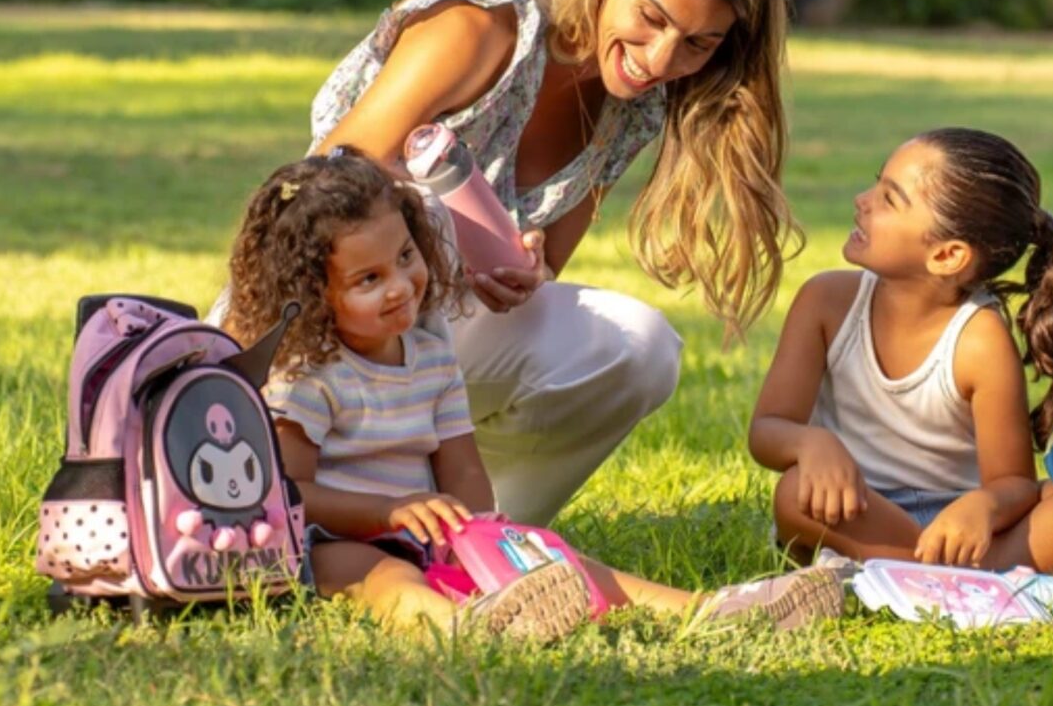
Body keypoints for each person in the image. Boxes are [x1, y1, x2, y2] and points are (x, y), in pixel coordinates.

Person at [296, 0, 800, 526]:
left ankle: (480, 535)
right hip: (315, 323)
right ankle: (344, 488)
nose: (661, 59)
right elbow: (325, 181)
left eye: (698, 44)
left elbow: (546, 266)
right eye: (652, 17)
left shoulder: (633, 109)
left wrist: (524, 270)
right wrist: (451, 238)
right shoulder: (484, 26)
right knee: (418, 209)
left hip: (427, 335)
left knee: (638, 348)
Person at [223, 152, 842, 641]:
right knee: (384, 576)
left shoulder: (430, 352)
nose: (400, 287)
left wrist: (479, 531)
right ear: (312, 292)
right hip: (329, 543)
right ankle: (465, 629)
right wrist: (389, 512)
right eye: (367, 280)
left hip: (420, 527)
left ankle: (713, 611)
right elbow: (291, 494)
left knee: (554, 556)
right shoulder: (308, 375)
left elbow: (460, 460)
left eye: (405, 257)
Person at [745, 128, 1053, 576]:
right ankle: (963, 580)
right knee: (794, 493)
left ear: (947, 255)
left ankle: (920, 574)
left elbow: (1013, 483)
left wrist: (984, 507)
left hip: (962, 535)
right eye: (877, 183)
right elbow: (766, 431)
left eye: (889, 198)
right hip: (856, 510)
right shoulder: (824, 302)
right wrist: (810, 442)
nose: (862, 199)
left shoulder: (980, 340)